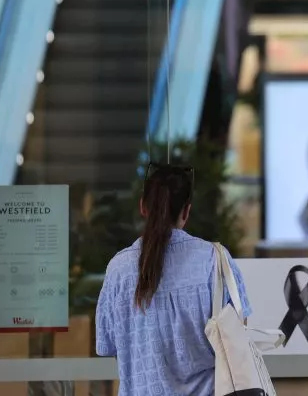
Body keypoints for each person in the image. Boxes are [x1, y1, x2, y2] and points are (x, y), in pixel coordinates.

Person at [96, 163, 252, 396]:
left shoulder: (118, 270)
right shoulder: (214, 260)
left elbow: (107, 345)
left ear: (143, 207)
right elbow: (239, 335)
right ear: (186, 212)